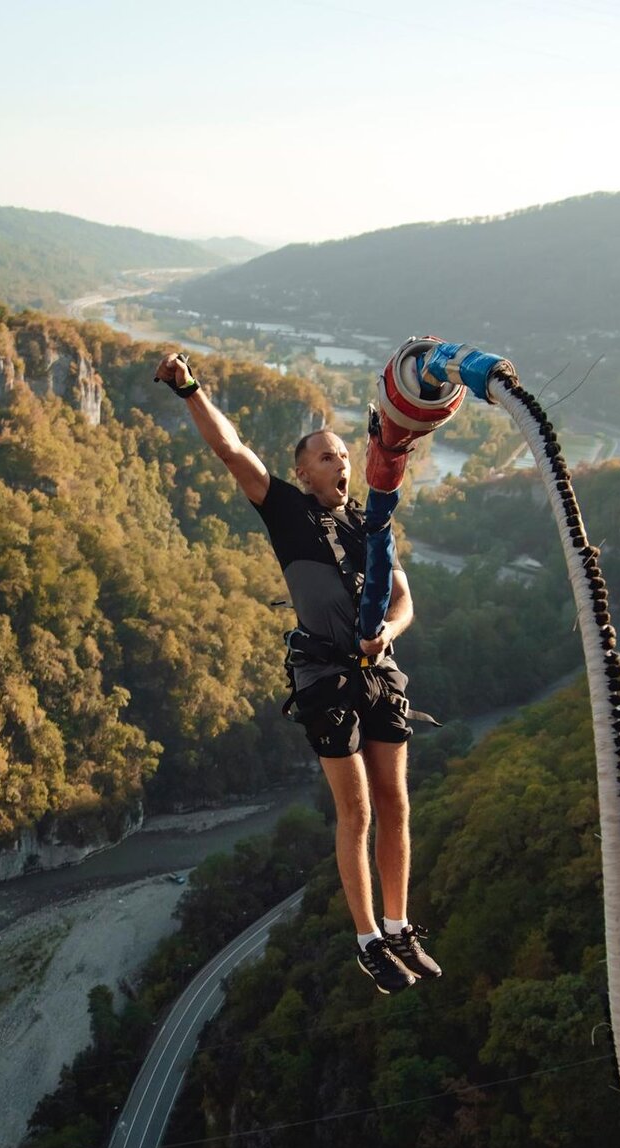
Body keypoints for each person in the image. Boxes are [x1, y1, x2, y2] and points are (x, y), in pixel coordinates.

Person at [155, 352, 441, 995]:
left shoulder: (371, 525)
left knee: (396, 804)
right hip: (326, 679)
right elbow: (231, 452)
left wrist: (386, 634)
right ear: (301, 472)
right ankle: (369, 938)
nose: (339, 461)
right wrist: (191, 389)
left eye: (343, 454)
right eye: (326, 454)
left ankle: (399, 926)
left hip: (378, 669)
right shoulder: (286, 510)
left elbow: (403, 598)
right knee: (358, 811)